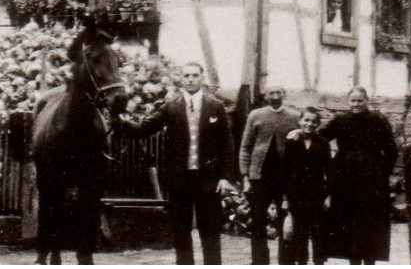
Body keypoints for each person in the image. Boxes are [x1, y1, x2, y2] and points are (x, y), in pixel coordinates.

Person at [118, 62, 238, 265]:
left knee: (210, 232)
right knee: (181, 232)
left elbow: (227, 143)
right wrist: (120, 121)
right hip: (179, 181)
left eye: (194, 75)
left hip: (207, 180)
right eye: (186, 76)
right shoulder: (170, 106)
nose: (190, 79)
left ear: (202, 78)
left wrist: (225, 177)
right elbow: (143, 129)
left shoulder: (215, 106)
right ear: (181, 79)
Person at [317, 86, 398, 265]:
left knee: (370, 222)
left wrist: (381, 172)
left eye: (360, 100)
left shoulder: (378, 120)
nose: (356, 104)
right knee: (348, 221)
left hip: (372, 180)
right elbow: (320, 138)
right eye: (353, 101)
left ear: (366, 101)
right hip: (345, 179)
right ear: (348, 102)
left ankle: (370, 261)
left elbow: (391, 149)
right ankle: (353, 261)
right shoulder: (340, 120)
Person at [239, 85, 300, 264]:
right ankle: (259, 261)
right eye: (270, 93)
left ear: (284, 94)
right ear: (265, 96)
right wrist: (245, 177)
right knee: (258, 220)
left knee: (285, 220)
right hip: (259, 176)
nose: (274, 96)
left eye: (278, 92)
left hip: (284, 178)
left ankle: (286, 261)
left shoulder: (295, 117)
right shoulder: (255, 115)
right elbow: (245, 146)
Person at [282, 106, 331, 266]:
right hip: (297, 195)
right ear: (300, 121)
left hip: (317, 195)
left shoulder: (323, 144)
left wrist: (328, 196)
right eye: (306, 120)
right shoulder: (292, 142)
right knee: (300, 235)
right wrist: (285, 198)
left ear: (318, 124)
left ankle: (319, 262)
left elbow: (329, 171)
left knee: (318, 235)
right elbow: (285, 171)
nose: (309, 124)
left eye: (314, 121)